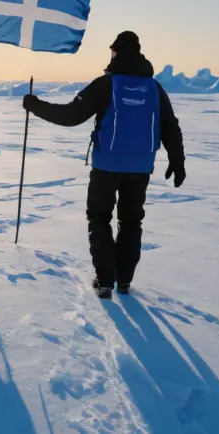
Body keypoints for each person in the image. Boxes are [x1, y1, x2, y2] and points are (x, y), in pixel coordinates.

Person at [22, 31, 185, 299]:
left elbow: (72, 115)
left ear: (116, 53)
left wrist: (36, 106)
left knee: (99, 218)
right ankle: (124, 281)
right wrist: (177, 161)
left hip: (106, 166)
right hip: (140, 167)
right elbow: (170, 126)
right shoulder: (154, 88)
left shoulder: (106, 84)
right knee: (131, 222)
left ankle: (105, 280)